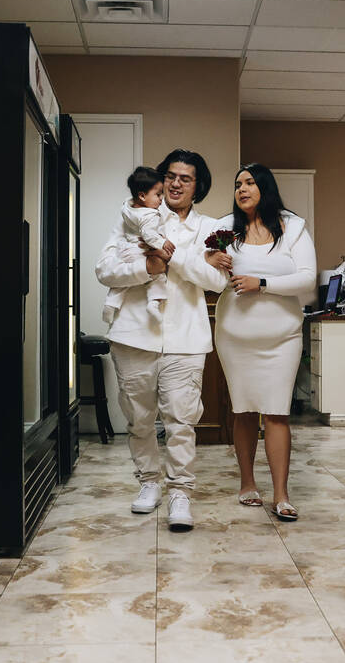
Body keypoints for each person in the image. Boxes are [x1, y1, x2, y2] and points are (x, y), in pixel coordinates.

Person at [95, 150, 229, 530]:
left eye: (185, 178)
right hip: (133, 335)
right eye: (169, 176)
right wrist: (148, 266)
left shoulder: (210, 228)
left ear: (197, 186)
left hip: (186, 339)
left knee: (181, 422)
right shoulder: (134, 216)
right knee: (138, 420)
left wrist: (172, 258)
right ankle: (149, 483)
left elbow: (217, 280)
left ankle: (180, 492)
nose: (174, 184)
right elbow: (105, 269)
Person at [206, 164, 317, 521]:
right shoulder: (224, 229)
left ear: (265, 187)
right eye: (237, 183)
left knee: (277, 411)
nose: (242, 189)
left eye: (250, 182)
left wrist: (262, 283)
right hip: (235, 337)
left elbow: (307, 279)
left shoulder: (292, 227)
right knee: (243, 409)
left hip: (282, 338)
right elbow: (209, 280)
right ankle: (247, 483)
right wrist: (212, 262)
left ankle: (282, 494)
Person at [101, 166, 177, 329]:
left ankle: (111, 304)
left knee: (121, 284)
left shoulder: (128, 208)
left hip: (125, 250)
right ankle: (153, 303)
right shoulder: (150, 215)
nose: (161, 199)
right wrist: (162, 243)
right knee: (158, 278)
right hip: (141, 252)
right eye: (158, 194)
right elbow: (149, 235)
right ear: (142, 195)